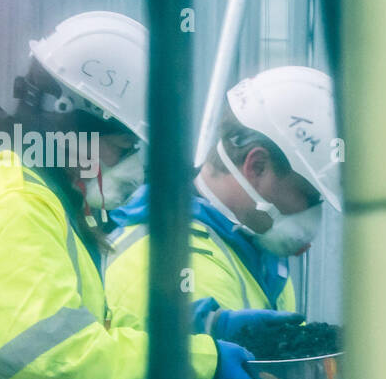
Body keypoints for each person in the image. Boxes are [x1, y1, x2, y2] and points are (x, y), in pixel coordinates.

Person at [0, 11, 274, 379]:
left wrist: (207, 329)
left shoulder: (47, 203)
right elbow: (55, 356)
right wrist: (201, 363)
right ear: (69, 129)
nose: (134, 171)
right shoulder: (15, 203)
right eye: (122, 149)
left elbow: (88, 333)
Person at [104, 66, 339, 350]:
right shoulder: (161, 261)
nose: (312, 214)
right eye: (309, 195)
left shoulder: (252, 244)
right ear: (257, 166)